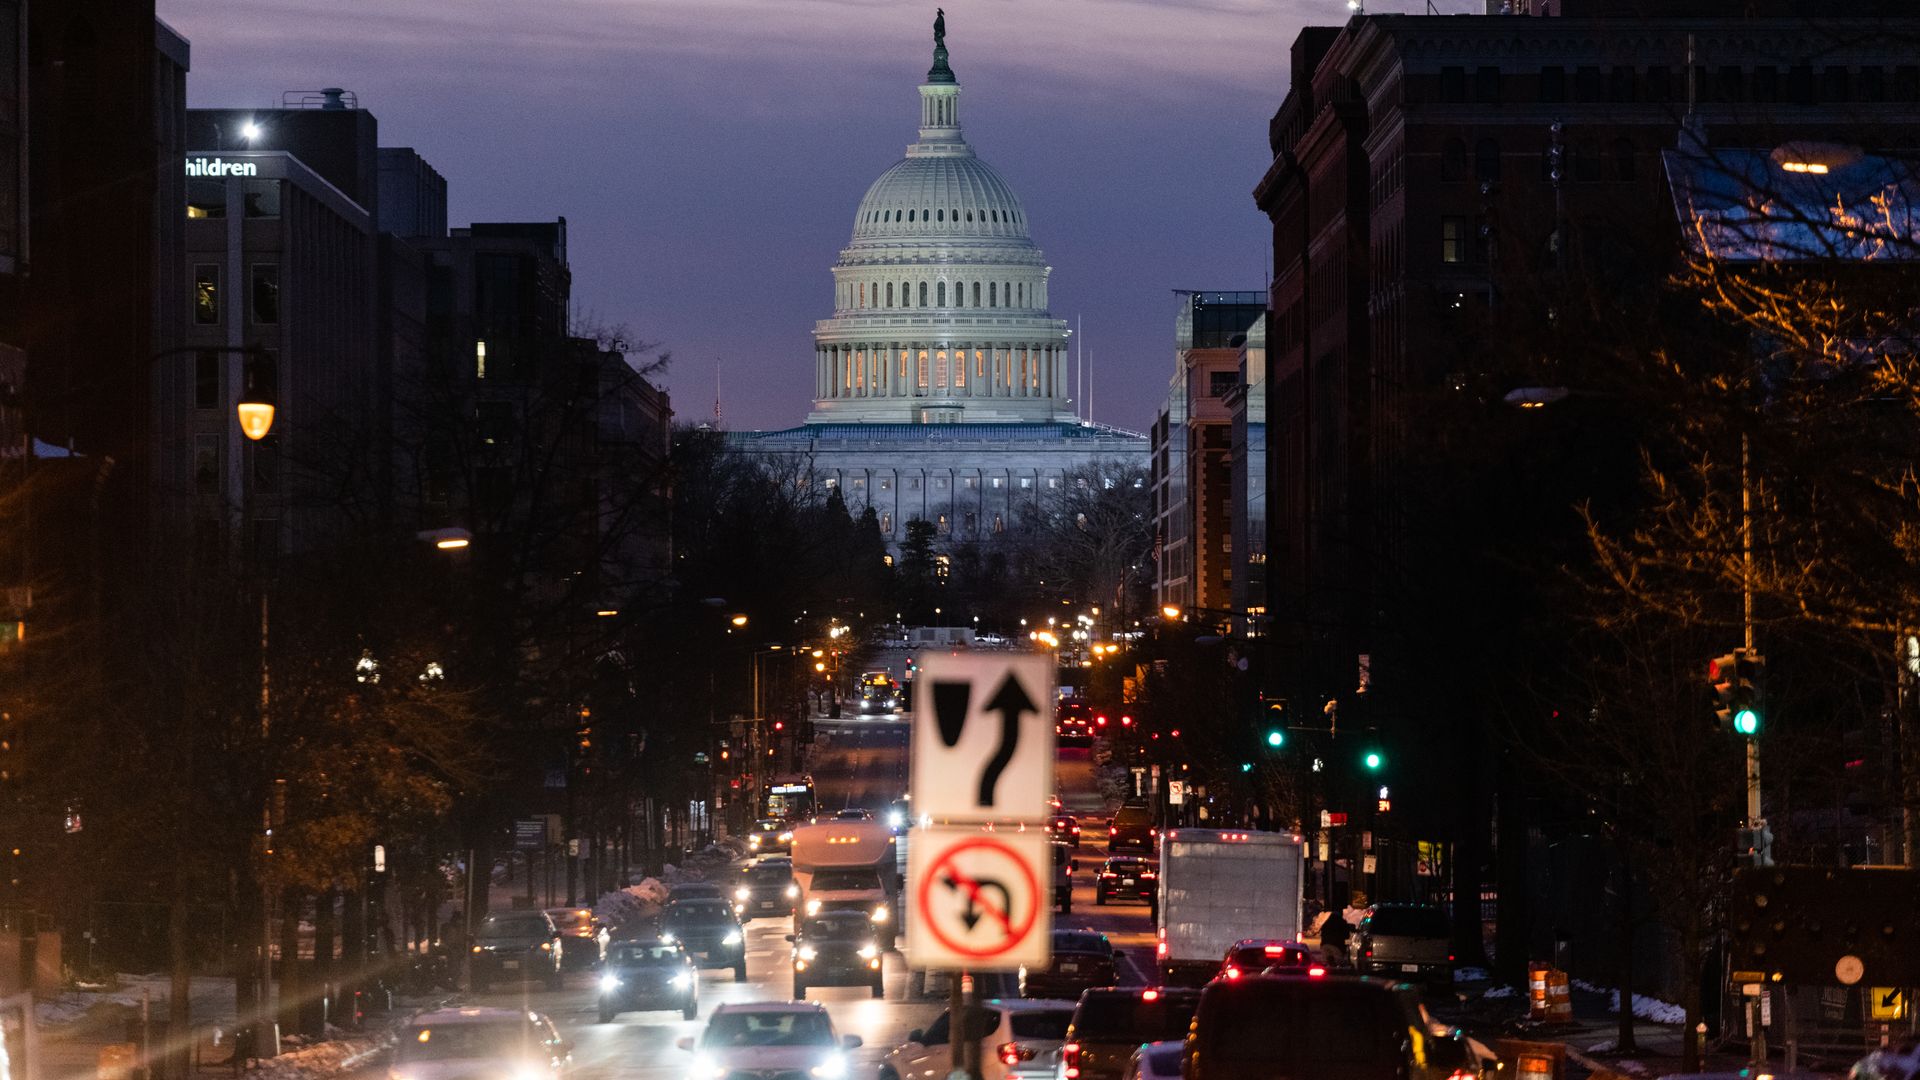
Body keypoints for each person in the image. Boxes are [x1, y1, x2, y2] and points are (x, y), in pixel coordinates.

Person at [1319, 902, 1351, 967]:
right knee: (1339, 961)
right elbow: (1346, 935)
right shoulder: (1341, 922)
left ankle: (1330, 969)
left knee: (1328, 960)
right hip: (1336, 945)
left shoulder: (1326, 923)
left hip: (1324, 945)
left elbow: (1322, 933)